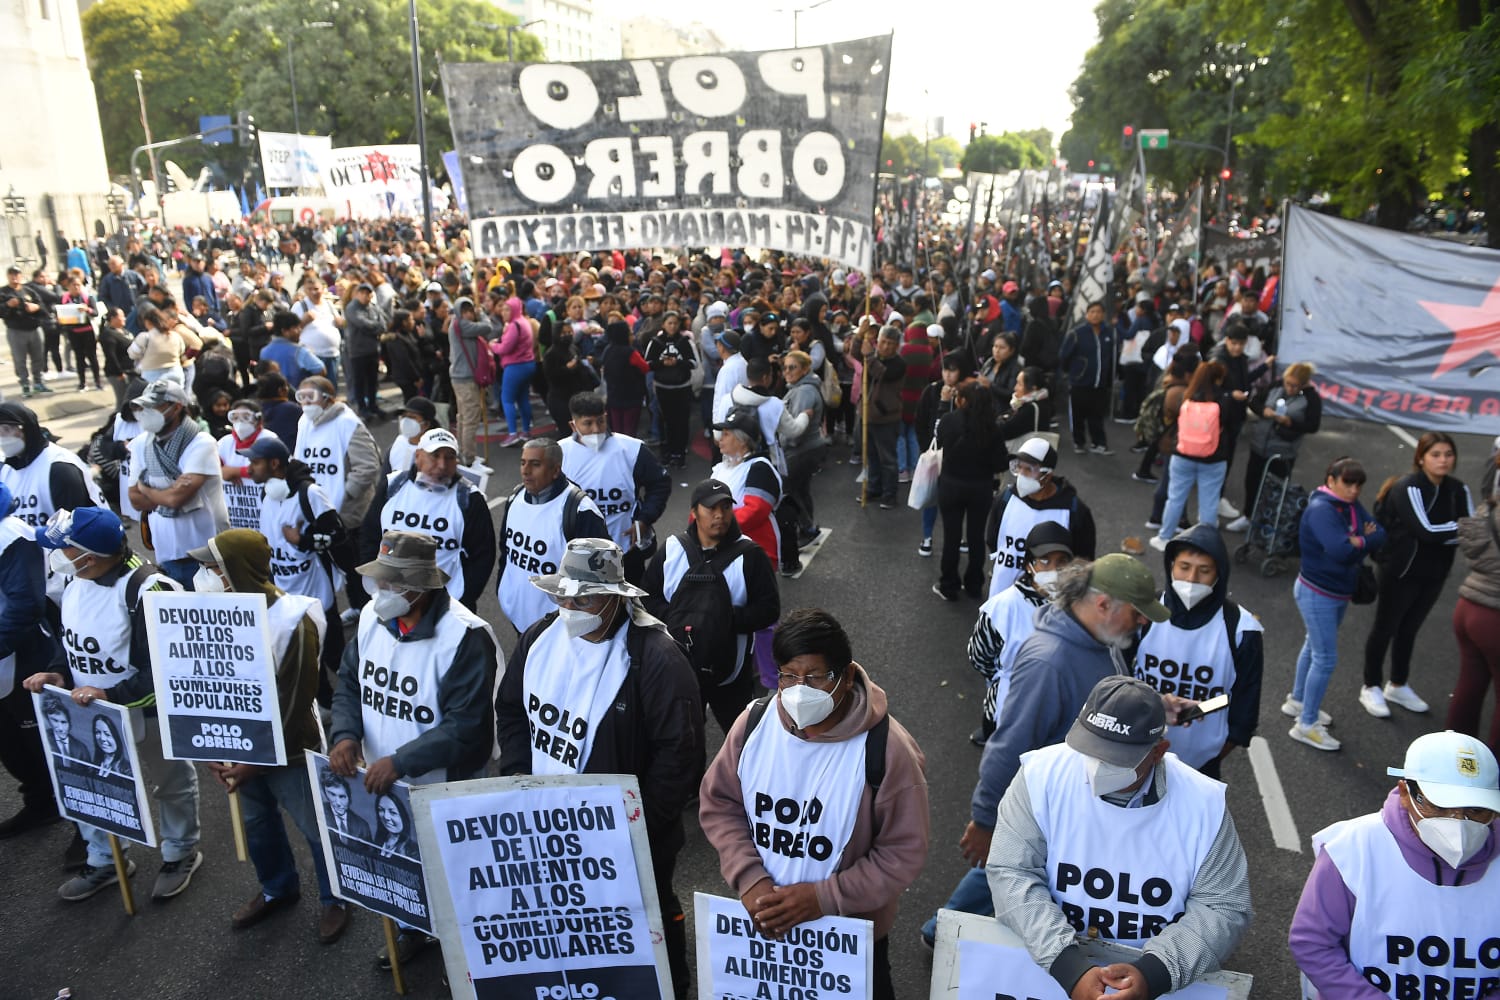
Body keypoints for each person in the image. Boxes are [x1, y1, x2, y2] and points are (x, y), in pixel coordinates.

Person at [923, 555, 1172, 942]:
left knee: (1017, 870)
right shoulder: (1049, 662)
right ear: (1103, 603)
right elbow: (1009, 745)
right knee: (1013, 868)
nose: (1142, 623)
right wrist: (986, 821)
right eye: (1138, 614)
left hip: (1075, 802)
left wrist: (1154, 707)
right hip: (1049, 806)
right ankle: (943, 932)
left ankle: (947, 929)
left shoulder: (1099, 639)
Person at [497, 537, 704, 1000]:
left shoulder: (656, 659)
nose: (569, 605)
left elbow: (680, 754)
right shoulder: (539, 638)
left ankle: (670, 987)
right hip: (547, 826)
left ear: (615, 598)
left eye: (583, 597)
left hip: (626, 839)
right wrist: (517, 779)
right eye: (563, 595)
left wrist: (636, 829)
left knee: (645, 919)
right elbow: (510, 711)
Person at [698, 608, 929, 1000]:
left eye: (816, 677)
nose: (799, 690)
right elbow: (720, 803)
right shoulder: (754, 724)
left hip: (846, 938)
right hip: (764, 926)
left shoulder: (887, 750)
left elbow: (902, 853)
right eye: (789, 676)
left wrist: (824, 898)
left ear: (847, 676)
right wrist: (751, 878)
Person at [987, 675, 1252, 998]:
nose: (1098, 767)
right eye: (1092, 750)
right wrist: (1068, 967)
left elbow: (1222, 906)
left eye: (1117, 759)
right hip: (1051, 971)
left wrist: (1154, 973)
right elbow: (1011, 870)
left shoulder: (1203, 805)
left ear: (1158, 752)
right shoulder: (1039, 777)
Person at [330, 530, 498, 965]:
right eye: (378, 582)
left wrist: (402, 761)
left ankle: (466, 952)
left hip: (443, 785)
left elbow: (469, 727)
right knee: (402, 861)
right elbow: (349, 680)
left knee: (453, 872)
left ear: (420, 586)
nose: (380, 592)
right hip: (388, 782)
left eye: (391, 583)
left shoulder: (465, 637)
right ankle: (411, 929)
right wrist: (344, 734)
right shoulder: (371, 617)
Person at [23, 506, 203, 902]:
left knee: (169, 782)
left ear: (91, 555)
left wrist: (111, 695)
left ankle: (180, 850)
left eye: (64, 549)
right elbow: (68, 639)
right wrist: (58, 673)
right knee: (94, 784)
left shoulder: (150, 589)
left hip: (146, 712)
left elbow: (162, 669)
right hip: (90, 710)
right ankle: (105, 859)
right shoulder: (76, 579)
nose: (57, 557)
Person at [186, 529, 349, 944]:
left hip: (289, 749)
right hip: (238, 746)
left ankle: (337, 897)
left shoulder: (293, 621)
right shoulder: (216, 610)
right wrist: (207, 741)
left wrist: (255, 762)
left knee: (315, 826)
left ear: (236, 571)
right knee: (258, 823)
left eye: (212, 568)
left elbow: (295, 703)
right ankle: (277, 886)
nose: (203, 576)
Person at [1290, 731, 1500, 998]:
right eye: (1441, 805)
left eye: (1476, 810)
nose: (1458, 822)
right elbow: (1312, 942)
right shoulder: (1352, 849)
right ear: (1405, 792)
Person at [643, 479, 781, 728]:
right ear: (694, 512)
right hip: (678, 668)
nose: (720, 515)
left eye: (726, 507)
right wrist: (680, 618)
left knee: (740, 741)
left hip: (732, 673)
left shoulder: (751, 555)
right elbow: (648, 598)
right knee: (683, 740)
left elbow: (769, 609)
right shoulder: (671, 550)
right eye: (711, 508)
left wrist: (723, 621)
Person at [1134, 524, 1264, 779]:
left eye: (1204, 571)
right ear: (1171, 566)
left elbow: (1241, 702)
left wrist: (1214, 750)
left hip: (1201, 765)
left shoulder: (1241, 628)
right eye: (1184, 567)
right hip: (1136, 753)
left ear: (1219, 574)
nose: (1191, 579)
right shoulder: (1143, 613)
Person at [1361, 432, 1473, 718]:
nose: (1443, 460)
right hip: (1400, 571)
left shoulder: (1459, 489)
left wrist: (1458, 531)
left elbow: (1471, 533)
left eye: (1448, 454)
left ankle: (1397, 683)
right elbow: (1427, 530)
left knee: (1409, 630)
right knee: (1385, 628)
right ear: (1421, 457)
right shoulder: (1407, 487)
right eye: (1436, 454)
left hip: (1435, 573)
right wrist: (1459, 530)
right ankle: (1370, 685)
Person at [1287, 457, 1387, 752]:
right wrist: (1359, 540)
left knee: (1313, 648)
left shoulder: (1347, 505)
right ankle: (1306, 725)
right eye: (1348, 483)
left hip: (1332, 592)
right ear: (1331, 480)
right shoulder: (1322, 510)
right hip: (1319, 593)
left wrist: (1356, 541)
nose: (1355, 490)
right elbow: (1340, 549)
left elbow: (1379, 532)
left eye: (1358, 484)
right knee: (1325, 658)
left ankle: (1299, 700)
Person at [0, 482, 68, 838]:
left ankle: (87, 834)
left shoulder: (11, 537)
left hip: (25, 657)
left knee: (46, 745)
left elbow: (25, 605)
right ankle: (40, 803)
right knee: (10, 745)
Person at [967, 521, 1074, 747]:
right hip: (1009, 705)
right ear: (1028, 565)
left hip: (1059, 709)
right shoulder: (1000, 609)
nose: (1053, 570)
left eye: (1061, 562)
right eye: (1044, 561)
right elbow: (980, 656)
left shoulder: (1079, 607)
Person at [364, 428, 494, 612]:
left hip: (447, 606)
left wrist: (463, 599)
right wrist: (377, 587)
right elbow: (369, 535)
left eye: (449, 457)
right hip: (391, 598)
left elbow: (483, 556)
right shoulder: (393, 486)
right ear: (418, 456)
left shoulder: (470, 498)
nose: (442, 464)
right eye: (435, 455)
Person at [495, 437, 609, 634]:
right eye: (523, 463)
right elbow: (506, 552)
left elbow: (598, 577)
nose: (525, 470)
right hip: (519, 618)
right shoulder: (515, 498)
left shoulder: (581, 511)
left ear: (556, 470)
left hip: (558, 627)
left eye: (535, 464)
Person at [126, 377, 230, 590]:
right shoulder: (140, 445)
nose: (149, 411)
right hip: (165, 550)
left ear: (176, 407)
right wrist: (168, 491)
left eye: (156, 406)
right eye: (146, 406)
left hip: (206, 551)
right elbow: (135, 499)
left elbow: (176, 498)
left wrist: (147, 488)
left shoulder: (200, 443)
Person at [559, 391, 671, 580]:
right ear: (573, 425)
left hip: (626, 549)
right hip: (578, 554)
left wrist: (644, 519)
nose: (596, 429)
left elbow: (660, 484)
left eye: (600, 421)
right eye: (587, 423)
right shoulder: (559, 453)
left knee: (631, 605)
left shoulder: (632, 449)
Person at [293, 375, 380, 608]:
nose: (305, 403)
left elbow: (368, 466)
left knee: (356, 566)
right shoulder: (305, 422)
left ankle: (364, 609)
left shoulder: (348, 423)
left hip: (350, 512)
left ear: (327, 398)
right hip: (320, 509)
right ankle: (353, 607)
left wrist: (345, 494)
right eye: (300, 397)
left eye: (310, 397)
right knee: (333, 563)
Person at [984, 436, 1098, 599]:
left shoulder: (1074, 511)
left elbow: (1083, 562)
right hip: (1002, 596)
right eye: (1018, 467)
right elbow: (993, 540)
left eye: (1030, 469)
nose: (1021, 475)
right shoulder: (1006, 499)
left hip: (1050, 605)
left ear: (1048, 474)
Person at [933, 382, 1009, 601]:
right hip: (980, 489)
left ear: (962, 400)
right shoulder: (992, 428)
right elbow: (1000, 464)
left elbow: (937, 443)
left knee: (951, 537)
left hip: (951, 485)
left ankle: (949, 584)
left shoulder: (949, 421)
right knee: (976, 537)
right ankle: (974, 585)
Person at [1227, 362, 1320, 532]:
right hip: (1259, 445)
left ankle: (1271, 522)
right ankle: (1248, 516)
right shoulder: (1275, 386)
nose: (1290, 388)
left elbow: (1313, 425)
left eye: (1294, 386)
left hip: (1283, 451)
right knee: (1252, 482)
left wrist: (1290, 423)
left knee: (1276, 488)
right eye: (1288, 384)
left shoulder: (1311, 398)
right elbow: (1254, 401)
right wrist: (1263, 411)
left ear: (1304, 384)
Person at [1150, 361, 1230, 552]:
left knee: (1175, 498)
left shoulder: (1187, 397)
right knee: (1209, 503)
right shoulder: (1223, 401)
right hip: (1213, 459)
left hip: (1183, 455)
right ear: (1218, 379)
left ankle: (1164, 537)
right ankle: (1206, 545)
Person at [1451, 479, 1500, 751]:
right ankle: (1494, 777)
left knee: (1469, 686)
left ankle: (1456, 764)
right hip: (1495, 616)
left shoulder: (1488, 509)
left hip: (1468, 606)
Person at [0, 402, 102, 533]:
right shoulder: (5, 469)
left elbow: (75, 530)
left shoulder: (60, 469)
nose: (2, 438)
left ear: (27, 429)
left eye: (7, 429)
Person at [710, 410, 784, 570]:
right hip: (721, 547)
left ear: (742, 440)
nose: (720, 438)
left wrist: (712, 526)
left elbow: (755, 511)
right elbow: (702, 502)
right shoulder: (721, 468)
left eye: (726, 434)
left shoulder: (759, 468)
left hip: (753, 552)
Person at [776, 349, 828, 574]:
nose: (787, 372)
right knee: (801, 489)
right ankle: (808, 529)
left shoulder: (804, 392)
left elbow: (795, 429)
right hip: (810, 449)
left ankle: (807, 529)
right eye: (785, 367)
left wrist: (783, 445)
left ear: (805, 369)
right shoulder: (801, 388)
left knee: (789, 490)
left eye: (792, 367)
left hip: (801, 450)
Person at [1058, 301, 1117, 454]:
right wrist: (1073, 374)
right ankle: (1079, 442)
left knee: (1097, 415)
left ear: (1103, 314)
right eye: (1092, 312)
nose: (1095, 315)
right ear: (1086, 314)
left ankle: (1099, 444)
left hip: (1100, 384)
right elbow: (1064, 356)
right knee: (1078, 414)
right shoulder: (1077, 333)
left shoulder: (1109, 333)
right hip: (1079, 382)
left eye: (1098, 312)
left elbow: (1112, 358)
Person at [860, 324, 907, 509]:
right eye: (883, 342)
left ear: (897, 346)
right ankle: (874, 488)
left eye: (891, 343)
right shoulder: (873, 357)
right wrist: (860, 336)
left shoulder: (898, 364)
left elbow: (882, 373)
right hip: (868, 415)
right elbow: (858, 352)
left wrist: (869, 356)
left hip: (886, 417)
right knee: (871, 456)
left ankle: (890, 494)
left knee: (887, 459)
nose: (886, 346)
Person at [644, 310, 697, 467]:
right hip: (662, 387)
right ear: (663, 325)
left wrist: (678, 363)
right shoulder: (655, 342)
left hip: (682, 387)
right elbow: (647, 364)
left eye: (675, 323)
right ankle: (665, 453)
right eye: (670, 323)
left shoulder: (685, 341)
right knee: (664, 421)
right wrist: (662, 363)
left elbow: (694, 363)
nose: (673, 326)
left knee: (681, 421)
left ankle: (679, 453)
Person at [217, 400, 279, 532]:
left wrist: (234, 472)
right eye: (235, 417)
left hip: (262, 511)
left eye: (246, 417)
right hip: (234, 514)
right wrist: (227, 472)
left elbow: (272, 470)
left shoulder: (269, 438)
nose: (240, 422)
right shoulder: (224, 443)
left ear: (258, 420)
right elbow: (215, 471)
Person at [491, 295, 537, 447]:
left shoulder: (514, 325)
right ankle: (526, 430)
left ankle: (512, 433)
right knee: (523, 398)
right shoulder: (524, 322)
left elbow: (505, 348)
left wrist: (492, 346)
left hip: (515, 366)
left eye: (507, 309)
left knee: (507, 399)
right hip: (528, 364)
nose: (504, 312)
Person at [3, 265, 50, 398]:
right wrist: (7, 305)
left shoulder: (29, 291)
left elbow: (43, 309)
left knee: (38, 357)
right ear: (8, 276)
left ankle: (38, 382)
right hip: (16, 330)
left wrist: (35, 307)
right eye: (11, 274)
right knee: (20, 360)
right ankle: (24, 384)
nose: (14, 277)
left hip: (34, 328)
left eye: (16, 274)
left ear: (21, 276)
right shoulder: (3, 293)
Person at [344, 282, 389, 421]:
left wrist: (374, 326)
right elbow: (362, 323)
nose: (365, 295)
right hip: (358, 351)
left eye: (368, 293)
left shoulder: (373, 307)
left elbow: (384, 324)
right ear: (357, 294)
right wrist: (375, 326)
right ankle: (362, 408)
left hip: (373, 350)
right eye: (362, 292)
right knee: (359, 381)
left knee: (372, 380)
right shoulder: (352, 308)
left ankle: (373, 405)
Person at [259, 311, 325, 391]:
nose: (300, 330)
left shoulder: (264, 351)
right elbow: (321, 369)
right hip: (297, 396)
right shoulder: (299, 351)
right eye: (296, 328)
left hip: (271, 395)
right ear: (284, 331)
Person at [387, 396, 440, 477]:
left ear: (426, 424)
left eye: (412, 417)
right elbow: (385, 478)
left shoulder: (437, 450)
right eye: (404, 416)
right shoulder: (399, 442)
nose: (406, 421)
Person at [318, 768, 371, 846]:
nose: (338, 803)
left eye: (342, 796)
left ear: (349, 797)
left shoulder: (362, 826)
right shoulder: (319, 812)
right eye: (332, 794)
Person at [373, 792, 416, 860]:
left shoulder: (414, 852)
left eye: (393, 812)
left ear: (404, 816)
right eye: (381, 810)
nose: (386, 817)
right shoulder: (377, 842)